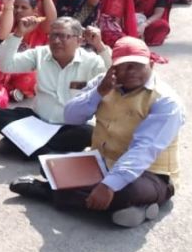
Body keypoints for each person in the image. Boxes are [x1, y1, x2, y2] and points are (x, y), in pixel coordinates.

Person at [10, 37, 182, 228]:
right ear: (113, 68)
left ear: (151, 64)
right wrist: (98, 92)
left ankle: (47, 192)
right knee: (49, 167)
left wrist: (108, 185)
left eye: (137, 66)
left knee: (124, 191)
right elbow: (71, 117)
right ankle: (134, 209)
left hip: (150, 174)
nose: (131, 72)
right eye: (124, 66)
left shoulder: (165, 101)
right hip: (102, 162)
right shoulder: (104, 83)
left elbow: (144, 149)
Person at [0, 17, 111, 157]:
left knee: (88, 133)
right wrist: (18, 33)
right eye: (53, 35)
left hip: (71, 127)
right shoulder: (41, 53)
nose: (56, 41)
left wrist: (100, 45)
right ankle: (42, 149)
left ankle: (27, 146)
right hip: (38, 121)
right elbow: (4, 65)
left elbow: (113, 76)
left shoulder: (92, 61)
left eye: (62, 36)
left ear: (79, 41)